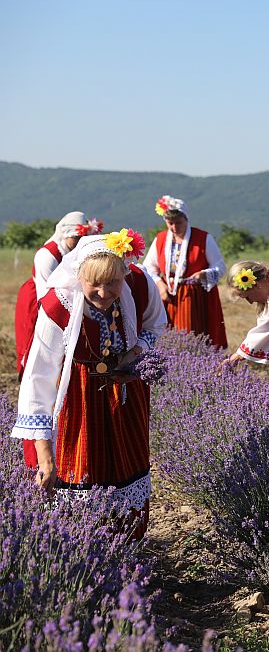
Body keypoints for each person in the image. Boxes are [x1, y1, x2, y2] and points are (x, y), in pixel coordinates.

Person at [11, 229, 167, 540]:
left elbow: (155, 322)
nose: (104, 291)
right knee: (81, 475)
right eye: (94, 282)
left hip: (126, 397)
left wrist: (134, 354)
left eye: (112, 282)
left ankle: (126, 555)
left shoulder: (137, 283)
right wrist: (44, 452)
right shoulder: (59, 305)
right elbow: (37, 377)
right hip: (77, 400)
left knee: (128, 472)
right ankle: (85, 557)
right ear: (78, 274)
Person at [14, 213, 103, 376]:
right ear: (66, 235)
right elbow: (45, 293)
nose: (79, 242)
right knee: (38, 340)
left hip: (66, 298)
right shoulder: (47, 255)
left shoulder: (75, 251)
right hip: (41, 299)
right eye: (76, 238)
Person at [142, 195, 227, 348]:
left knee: (191, 335)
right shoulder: (161, 239)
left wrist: (204, 274)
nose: (174, 228)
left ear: (187, 219)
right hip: (166, 295)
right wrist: (160, 285)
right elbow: (149, 267)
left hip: (193, 297)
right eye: (170, 223)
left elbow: (220, 266)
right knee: (165, 335)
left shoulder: (203, 238)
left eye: (178, 223)